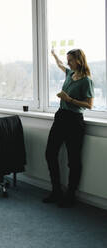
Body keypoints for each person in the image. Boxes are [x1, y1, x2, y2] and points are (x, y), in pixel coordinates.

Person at [43, 48, 94, 208]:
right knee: (50, 153)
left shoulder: (86, 80)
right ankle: (56, 191)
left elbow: (89, 105)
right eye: (67, 60)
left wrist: (69, 99)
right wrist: (54, 55)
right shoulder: (69, 74)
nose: (68, 63)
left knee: (73, 161)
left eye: (70, 60)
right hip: (61, 117)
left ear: (79, 60)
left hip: (74, 121)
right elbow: (59, 64)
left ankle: (70, 196)